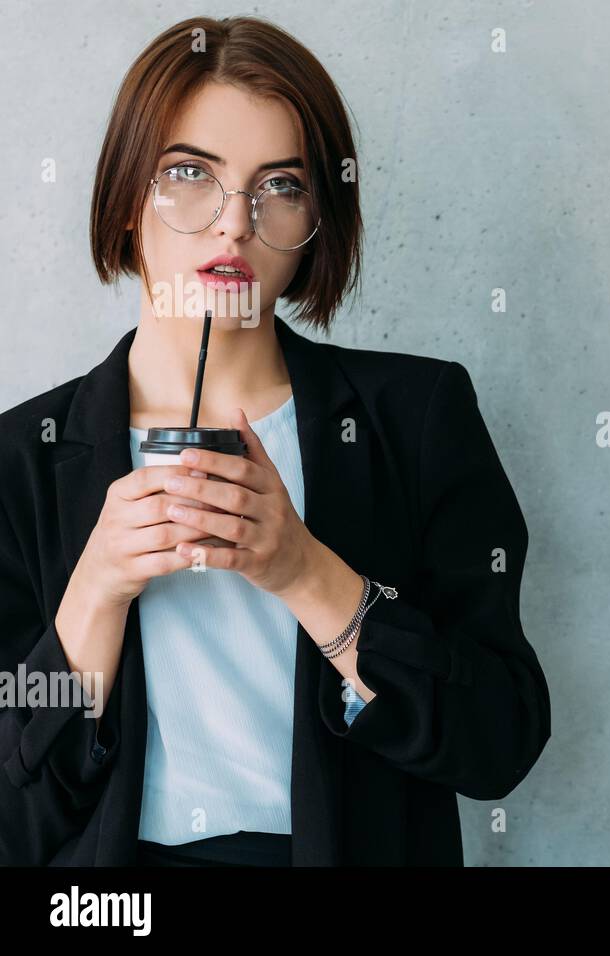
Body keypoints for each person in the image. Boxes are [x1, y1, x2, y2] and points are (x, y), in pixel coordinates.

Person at [0, 15, 550, 866]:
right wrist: (96, 591)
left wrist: (305, 571)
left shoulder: (418, 415)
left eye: (280, 186)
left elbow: (499, 743)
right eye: (189, 174)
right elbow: (14, 821)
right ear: (123, 201)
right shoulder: (19, 464)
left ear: (317, 221)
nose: (234, 224)